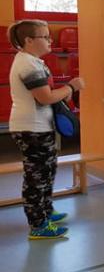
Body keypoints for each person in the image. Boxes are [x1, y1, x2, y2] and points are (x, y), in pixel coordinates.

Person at [7, 20, 85, 240]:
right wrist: (71, 87)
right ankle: (38, 225)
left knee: (47, 171)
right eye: (45, 36)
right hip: (31, 128)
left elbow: (47, 94)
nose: (50, 40)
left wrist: (63, 92)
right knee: (37, 176)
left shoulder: (34, 61)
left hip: (40, 126)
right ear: (29, 40)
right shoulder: (28, 65)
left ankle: (46, 211)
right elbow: (45, 97)